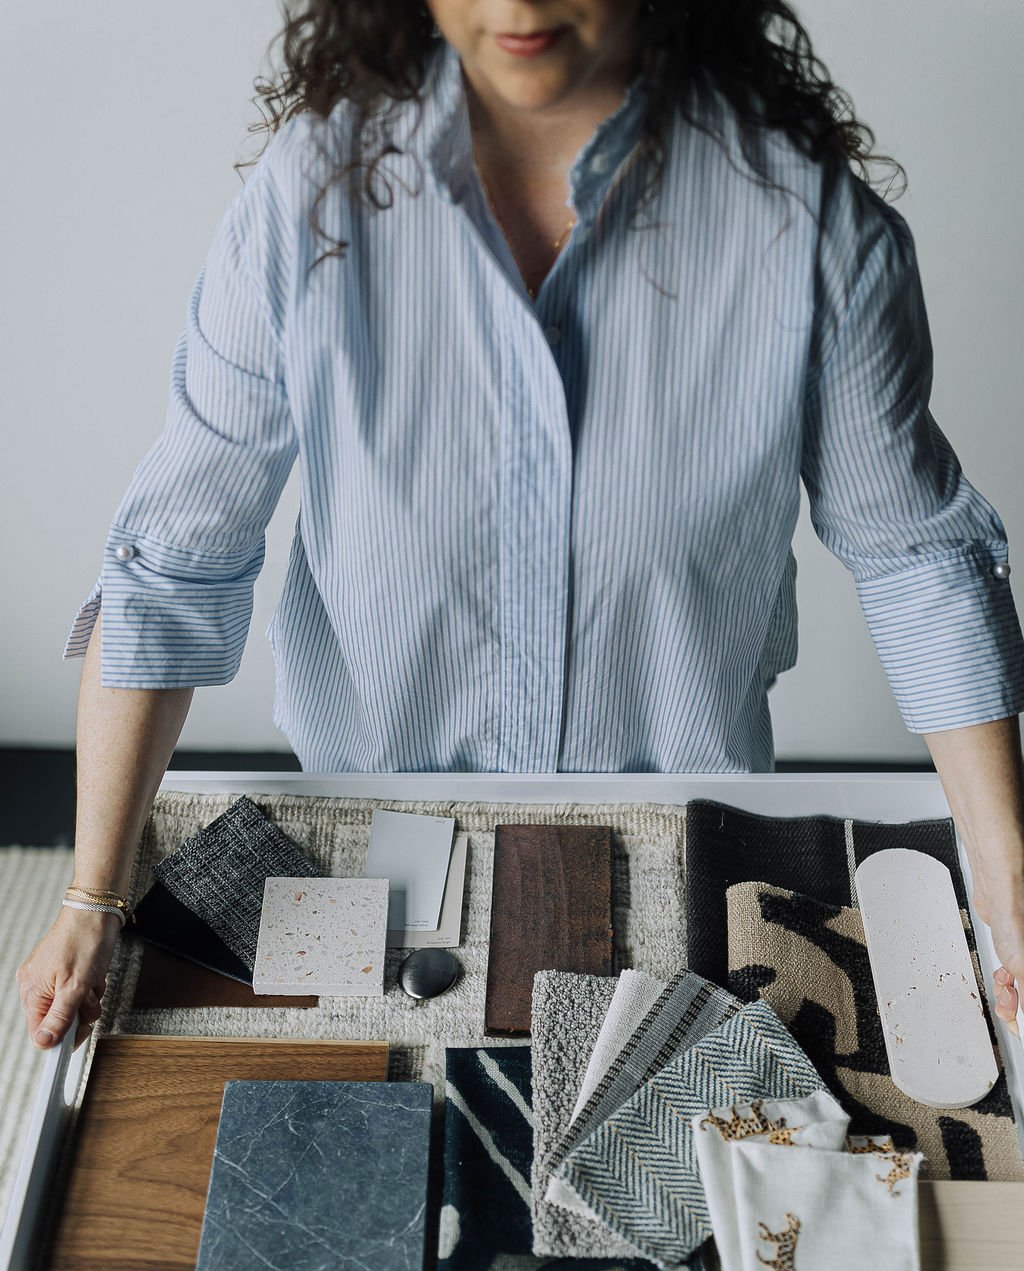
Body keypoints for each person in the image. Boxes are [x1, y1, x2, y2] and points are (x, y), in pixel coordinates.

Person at [17, 0, 1024, 1050]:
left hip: (680, 836)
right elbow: (175, 564)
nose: (517, 6)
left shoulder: (807, 221)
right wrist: (92, 897)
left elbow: (917, 561)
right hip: (366, 836)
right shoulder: (309, 196)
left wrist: (1005, 878)